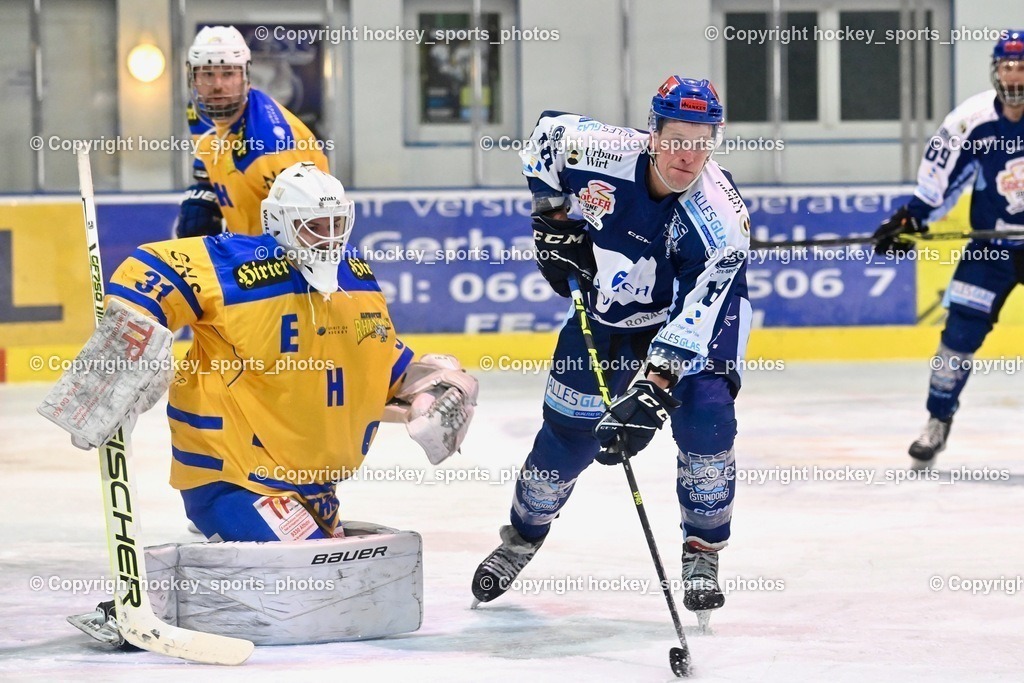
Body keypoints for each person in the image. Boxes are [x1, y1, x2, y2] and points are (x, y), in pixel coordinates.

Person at [43, 162, 478, 644]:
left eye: (338, 224)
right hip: (234, 478)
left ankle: (196, 575)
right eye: (315, 225)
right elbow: (149, 267)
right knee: (306, 579)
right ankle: (139, 599)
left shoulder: (356, 277)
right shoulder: (236, 266)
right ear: (279, 224)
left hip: (314, 488)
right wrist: (127, 348)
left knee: (334, 578)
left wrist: (433, 387)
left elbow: (380, 364)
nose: (328, 238)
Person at [471, 77, 751, 620]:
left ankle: (703, 549)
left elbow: (697, 316)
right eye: (676, 140)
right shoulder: (599, 149)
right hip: (611, 306)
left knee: (706, 418)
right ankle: (523, 537)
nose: (687, 157)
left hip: (691, 315)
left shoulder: (722, 220)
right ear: (652, 133)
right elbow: (546, 137)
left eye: (701, 142)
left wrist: (653, 389)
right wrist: (553, 220)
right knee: (567, 436)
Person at [873, 30, 1024, 468]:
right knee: (956, 338)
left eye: (1022, 66)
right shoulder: (970, 121)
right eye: (1008, 66)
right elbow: (939, 184)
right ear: (996, 70)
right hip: (990, 249)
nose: (1014, 75)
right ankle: (937, 421)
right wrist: (911, 219)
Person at [177, 25, 330, 237]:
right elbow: (209, 160)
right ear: (193, 79)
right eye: (208, 74)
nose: (217, 85)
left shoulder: (270, 142)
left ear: (245, 77)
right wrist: (204, 196)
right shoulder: (199, 113)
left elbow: (308, 226)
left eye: (228, 73)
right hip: (244, 241)